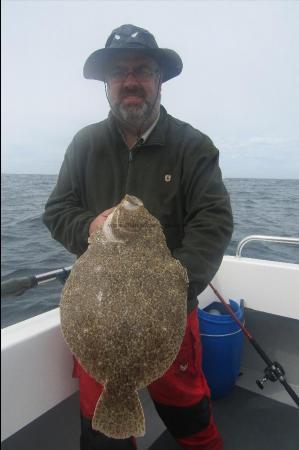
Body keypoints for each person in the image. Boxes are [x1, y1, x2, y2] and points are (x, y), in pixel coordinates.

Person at [43, 24, 233, 450]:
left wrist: (174, 287)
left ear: (159, 79)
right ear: (106, 85)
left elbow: (214, 222)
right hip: (97, 310)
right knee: (101, 429)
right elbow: (57, 211)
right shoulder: (85, 144)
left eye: (142, 70)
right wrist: (91, 227)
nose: (130, 81)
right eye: (118, 73)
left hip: (169, 309)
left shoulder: (192, 146)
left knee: (191, 417)